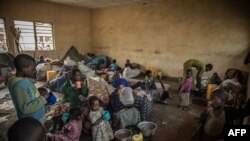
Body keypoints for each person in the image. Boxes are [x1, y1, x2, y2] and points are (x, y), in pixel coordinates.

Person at [7, 54, 46, 123]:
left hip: (35, 118)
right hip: (32, 121)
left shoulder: (21, 80)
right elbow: (25, 108)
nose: (35, 71)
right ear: (23, 68)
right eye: (32, 69)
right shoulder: (19, 85)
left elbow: (28, 94)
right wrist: (42, 99)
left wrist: (36, 91)